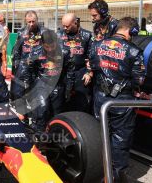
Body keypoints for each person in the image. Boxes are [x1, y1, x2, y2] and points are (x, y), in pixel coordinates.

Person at [89, 17, 145, 182]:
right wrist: (137, 90)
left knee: (101, 135)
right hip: (122, 101)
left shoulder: (97, 45)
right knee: (120, 138)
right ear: (131, 31)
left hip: (100, 98)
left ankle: (99, 172)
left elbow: (92, 65)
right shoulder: (134, 50)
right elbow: (139, 79)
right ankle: (117, 177)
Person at [10, 10, 61, 125]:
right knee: (20, 94)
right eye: (29, 22)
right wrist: (17, 66)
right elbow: (16, 51)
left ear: (37, 20)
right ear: (25, 21)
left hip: (39, 68)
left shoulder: (45, 32)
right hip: (24, 67)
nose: (31, 24)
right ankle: (23, 119)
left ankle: (36, 121)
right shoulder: (21, 32)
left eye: (33, 21)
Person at [56, 13, 93, 113]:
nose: (64, 28)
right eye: (63, 25)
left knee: (80, 104)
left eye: (67, 26)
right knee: (61, 104)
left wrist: (89, 72)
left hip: (80, 73)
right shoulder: (59, 34)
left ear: (75, 23)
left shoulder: (87, 36)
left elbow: (92, 56)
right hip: (63, 74)